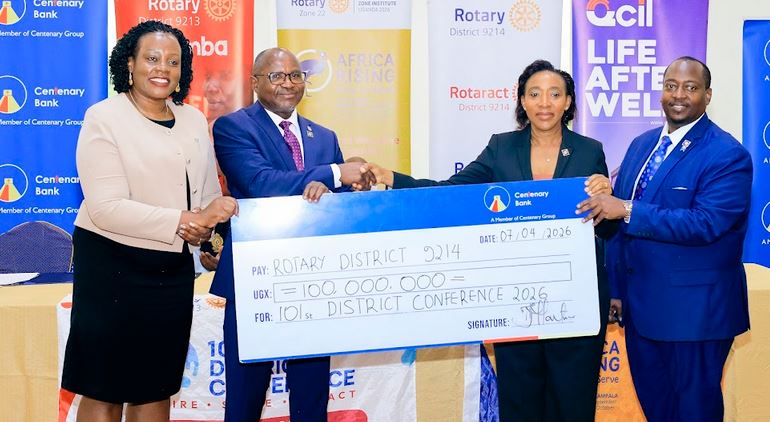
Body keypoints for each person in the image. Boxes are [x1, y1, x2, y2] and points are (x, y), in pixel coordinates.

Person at [357, 60, 614, 421]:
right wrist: (393, 178)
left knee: (572, 403)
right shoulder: (501, 148)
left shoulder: (589, 151)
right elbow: (451, 193)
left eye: (555, 94)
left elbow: (605, 230)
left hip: (575, 298)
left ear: (568, 102)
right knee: (520, 402)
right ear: (522, 101)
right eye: (535, 94)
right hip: (514, 300)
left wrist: (606, 199)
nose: (544, 103)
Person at [61, 21, 238, 422]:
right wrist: (184, 220)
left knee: (157, 384)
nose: (163, 69)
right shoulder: (104, 117)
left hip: (170, 271)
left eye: (173, 62)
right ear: (130, 64)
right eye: (152, 58)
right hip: (111, 266)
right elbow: (106, 207)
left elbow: (207, 195)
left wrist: (212, 234)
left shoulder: (193, 120)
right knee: (103, 386)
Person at [577, 57, 752, 421]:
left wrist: (626, 208)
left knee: (694, 412)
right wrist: (617, 289)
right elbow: (619, 222)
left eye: (690, 87)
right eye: (671, 86)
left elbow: (706, 223)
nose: (679, 95)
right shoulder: (642, 145)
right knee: (657, 410)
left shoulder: (727, 154)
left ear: (707, 95)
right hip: (641, 311)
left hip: (695, 315)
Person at [210, 47, 374, 422]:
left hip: (312, 282)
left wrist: (346, 188)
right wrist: (333, 174)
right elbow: (259, 183)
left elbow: (337, 203)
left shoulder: (325, 137)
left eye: (295, 75)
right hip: (255, 280)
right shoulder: (233, 127)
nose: (288, 83)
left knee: (311, 399)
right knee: (245, 398)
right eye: (276, 75)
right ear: (255, 82)